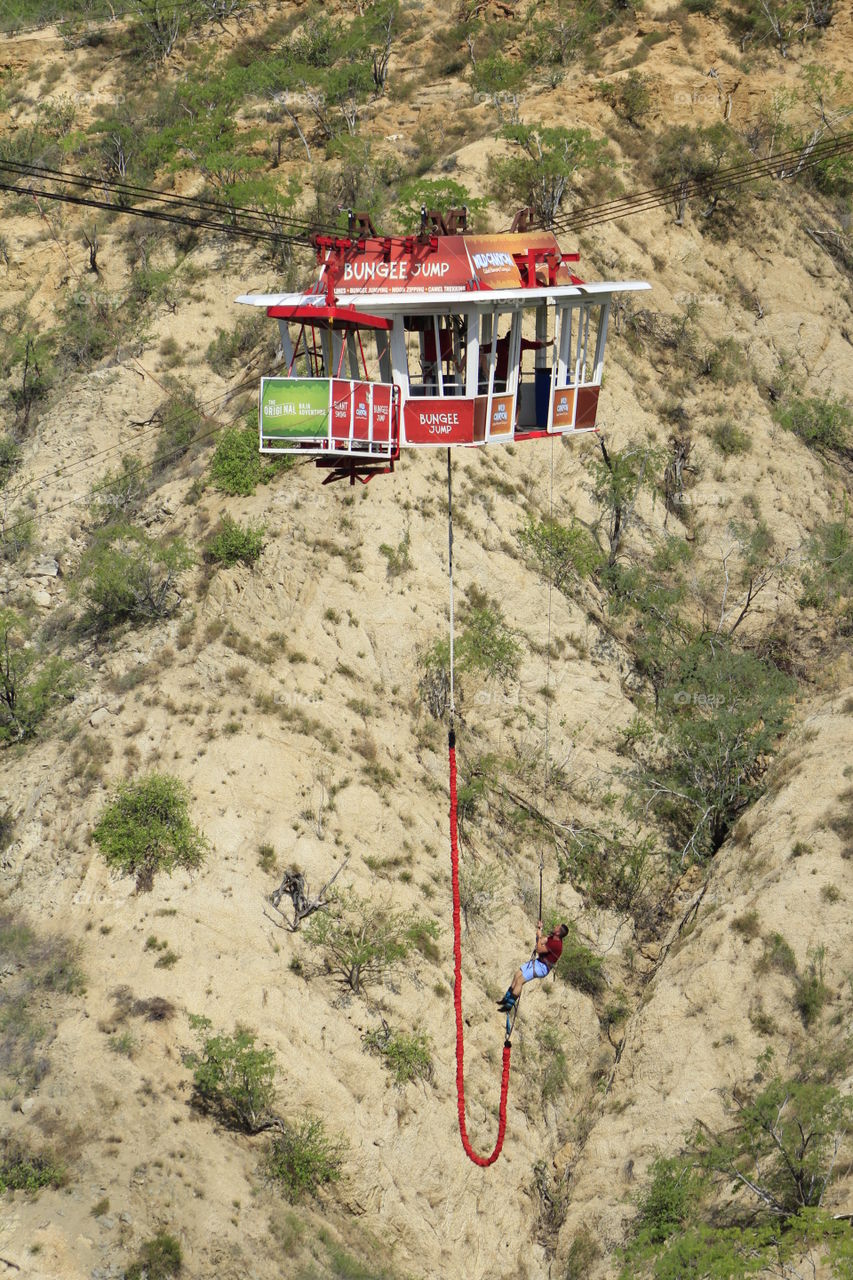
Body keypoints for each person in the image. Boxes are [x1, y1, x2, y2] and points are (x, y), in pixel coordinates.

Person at [497, 921, 569, 1013]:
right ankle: (506, 999)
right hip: (539, 962)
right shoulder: (552, 938)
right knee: (517, 974)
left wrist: (539, 936)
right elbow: (541, 941)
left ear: (558, 932)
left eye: (557, 927)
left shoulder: (557, 944)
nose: (555, 926)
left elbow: (539, 949)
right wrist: (540, 930)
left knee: (520, 981)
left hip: (543, 968)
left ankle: (508, 1006)